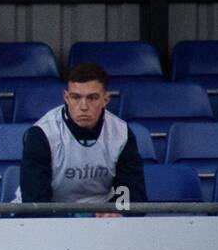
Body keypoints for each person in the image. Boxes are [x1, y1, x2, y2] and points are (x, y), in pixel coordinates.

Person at [14, 62, 148, 215]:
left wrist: (118, 212)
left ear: (106, 99)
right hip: (50, 216)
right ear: (66, 97)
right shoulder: (42, 134)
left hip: (103, 216)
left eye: (92, 98)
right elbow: (35, 201)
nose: (83, 106)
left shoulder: (121, 133)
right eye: (76, 97)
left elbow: (130, 190)